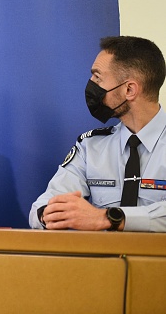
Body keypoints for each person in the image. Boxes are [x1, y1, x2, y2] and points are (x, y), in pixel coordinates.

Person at [30, 36, 166, 232]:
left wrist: (107, 218)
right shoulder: (90, 146)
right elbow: (41, 207)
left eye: (97, 77)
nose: (91, 85)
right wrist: (49, 214)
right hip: (103, 262)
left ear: (129, 89)